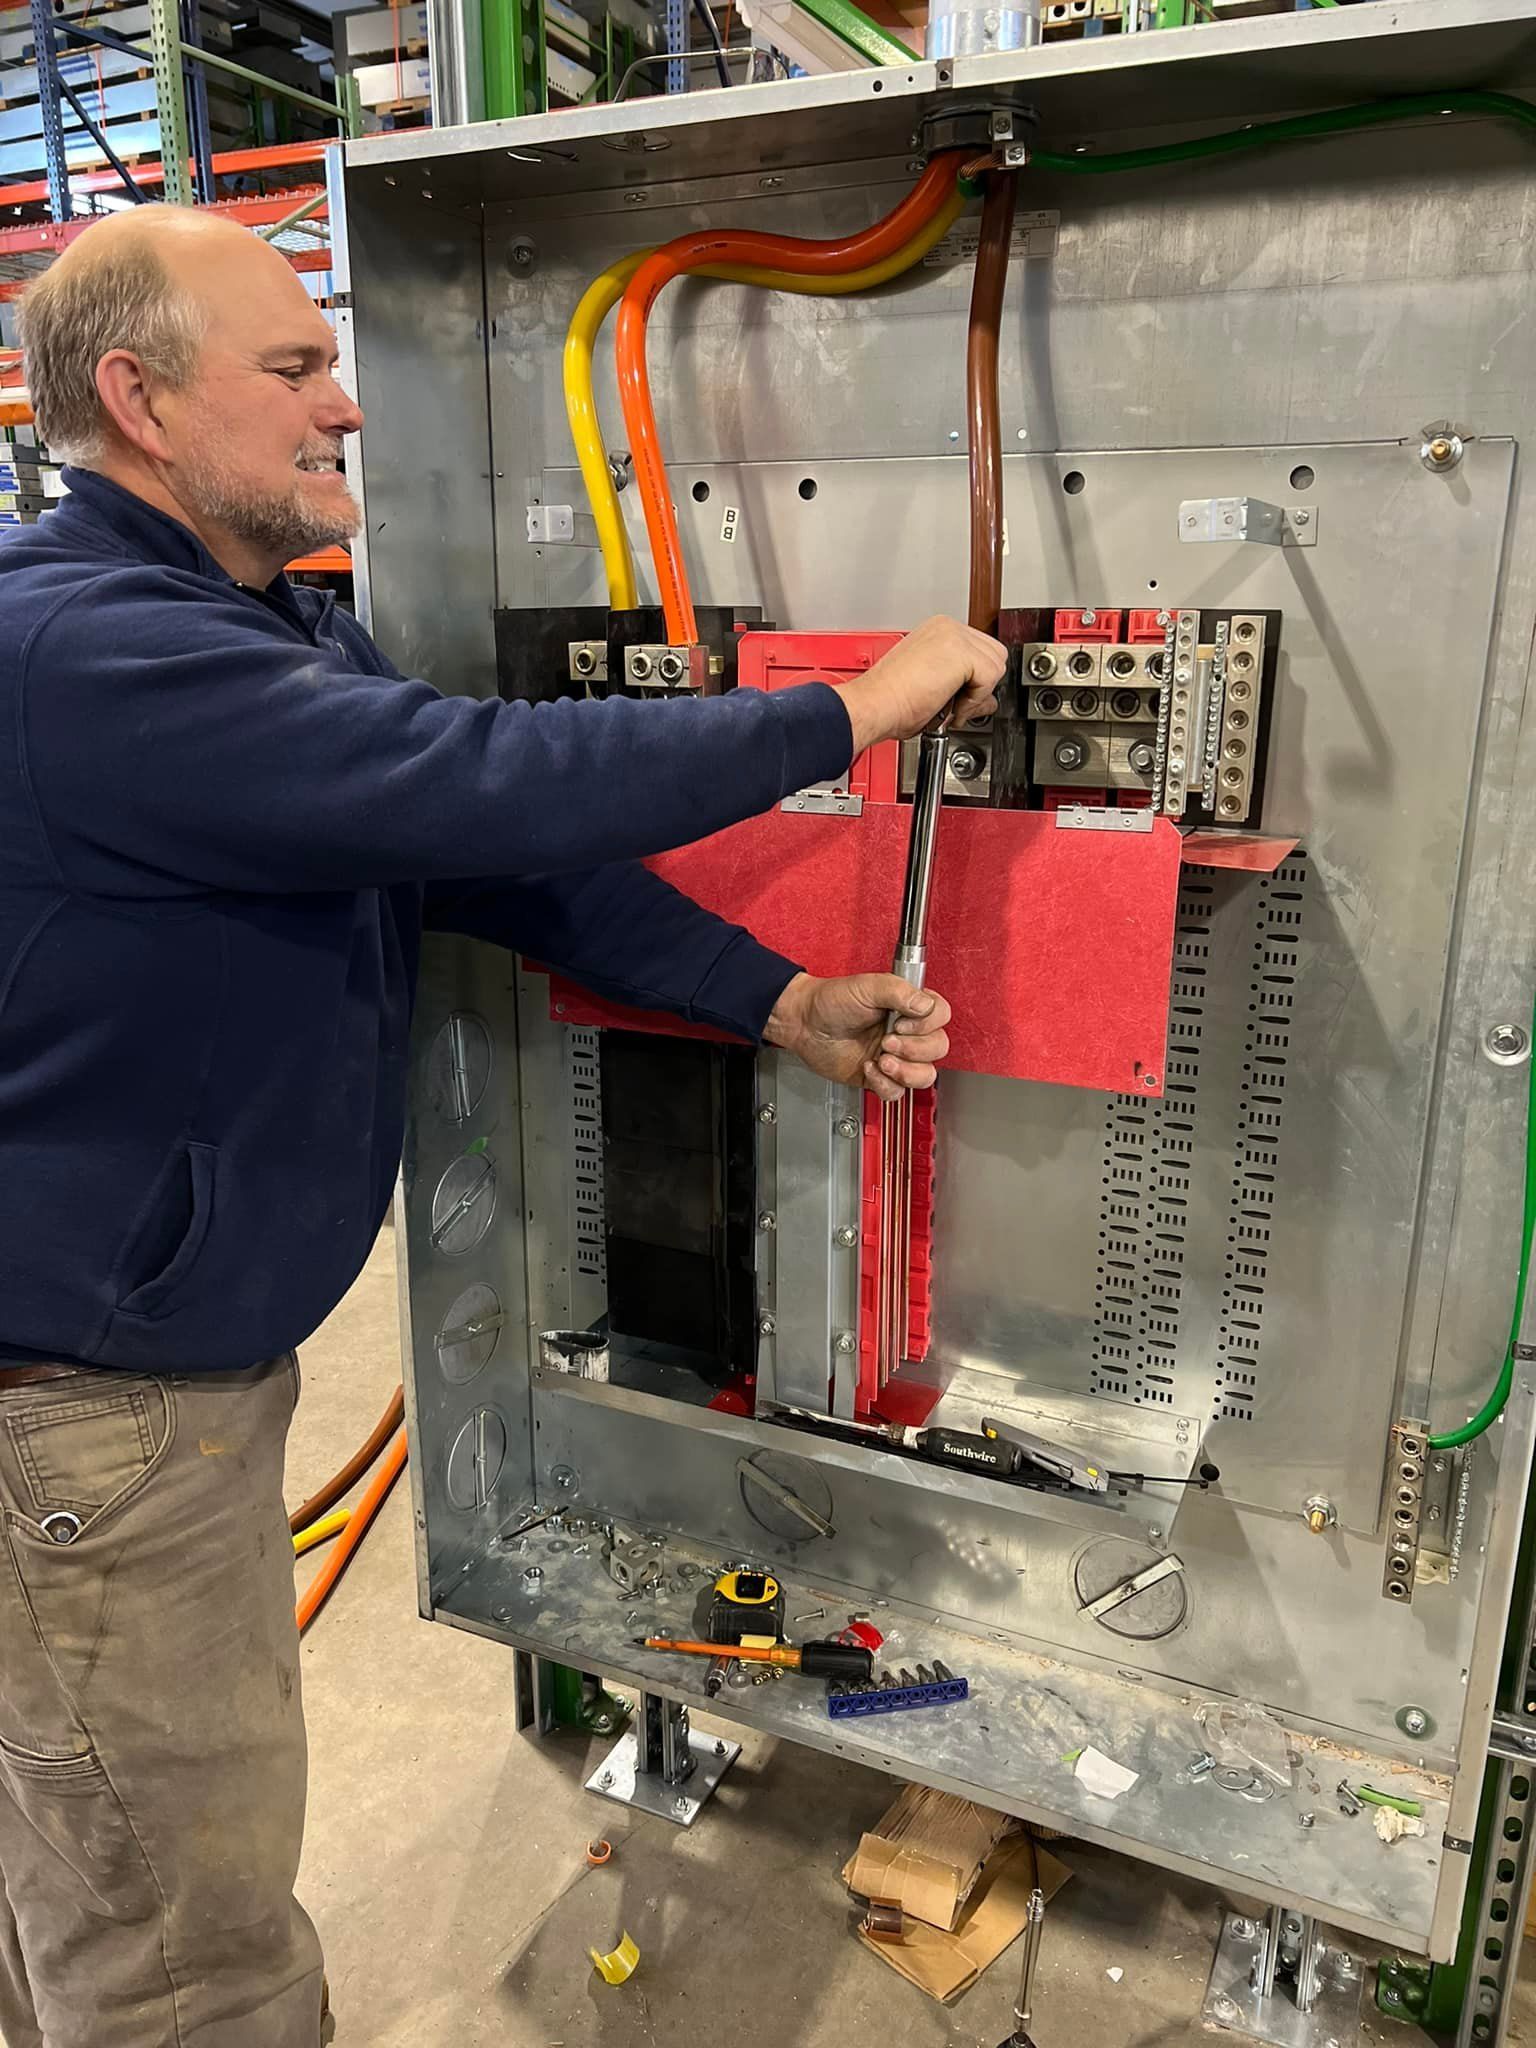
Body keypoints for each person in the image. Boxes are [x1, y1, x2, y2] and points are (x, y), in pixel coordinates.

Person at [0, 202, 1004, 2047]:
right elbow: (483, 770)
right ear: (137, 402)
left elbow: (480, 843)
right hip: (87, 1404)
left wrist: (777, 1000)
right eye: (295, 369)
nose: (348, 408)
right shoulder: (83, 649)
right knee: (175, 1940)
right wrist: (846, 713)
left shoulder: (263, 625)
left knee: (91, 1849)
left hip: (144, 1367)